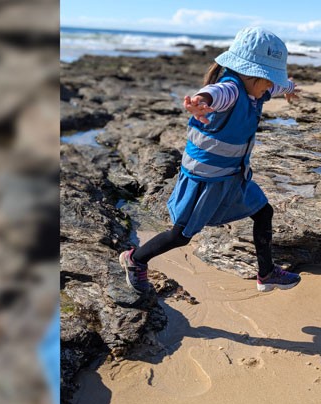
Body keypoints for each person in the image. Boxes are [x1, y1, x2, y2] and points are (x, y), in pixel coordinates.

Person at [119, 26, 302, 294]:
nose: (270, 85)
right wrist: (198, 102)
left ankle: (266, 273)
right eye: (267, 78)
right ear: (251, 74)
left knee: (264, 212)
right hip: (207, 180)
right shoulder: (230, 89)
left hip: (234, 175)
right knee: (181, 235)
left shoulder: (257, 89)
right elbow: (213, 94)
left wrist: (289, 88)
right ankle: (135, 259)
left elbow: (275, 88)